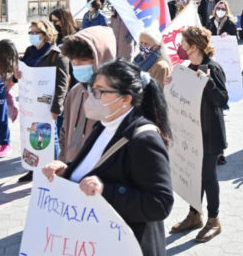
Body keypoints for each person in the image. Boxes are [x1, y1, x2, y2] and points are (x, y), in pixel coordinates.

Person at [41, 60, 174, 256]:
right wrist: (66, 170)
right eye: (93, 89)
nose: (92, 96)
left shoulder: (144, 139)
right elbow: (95, 167)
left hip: (130, 246)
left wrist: (106, 191)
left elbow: (160, 203)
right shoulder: (104, 125)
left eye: (101, 91)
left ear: (125, 99)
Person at [169, 26, 228, 243]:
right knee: (194, 176)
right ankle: (195, 215)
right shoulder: (187, 68)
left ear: (194, 46)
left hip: (210, 134)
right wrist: (171, 85)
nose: (180, 47)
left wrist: (208, 83)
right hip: (192, 132)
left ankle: (214, 220)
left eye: (183, 44)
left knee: (208, 177)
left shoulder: (212, 68)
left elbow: (222, 99)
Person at [19, 20, 71, 181]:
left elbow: (62, 84)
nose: (33, 36)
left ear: (46, 34)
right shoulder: (29, 51)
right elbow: (23, 71)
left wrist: (56, 108)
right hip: (30, 103)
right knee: (32, 135)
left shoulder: (57, 56)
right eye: (31, 32)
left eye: (37, 32)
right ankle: (33, 168)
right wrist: (17, 75)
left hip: (47, 104)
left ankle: (53, 170)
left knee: (48, 138)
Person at [58, 26, 117, 164]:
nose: (76, 65)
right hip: (71, 166)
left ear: (101, 58)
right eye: (73, 60)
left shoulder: (116, 98)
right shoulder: (75, 91)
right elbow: (65, 131)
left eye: (83, 60)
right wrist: (62, 160)